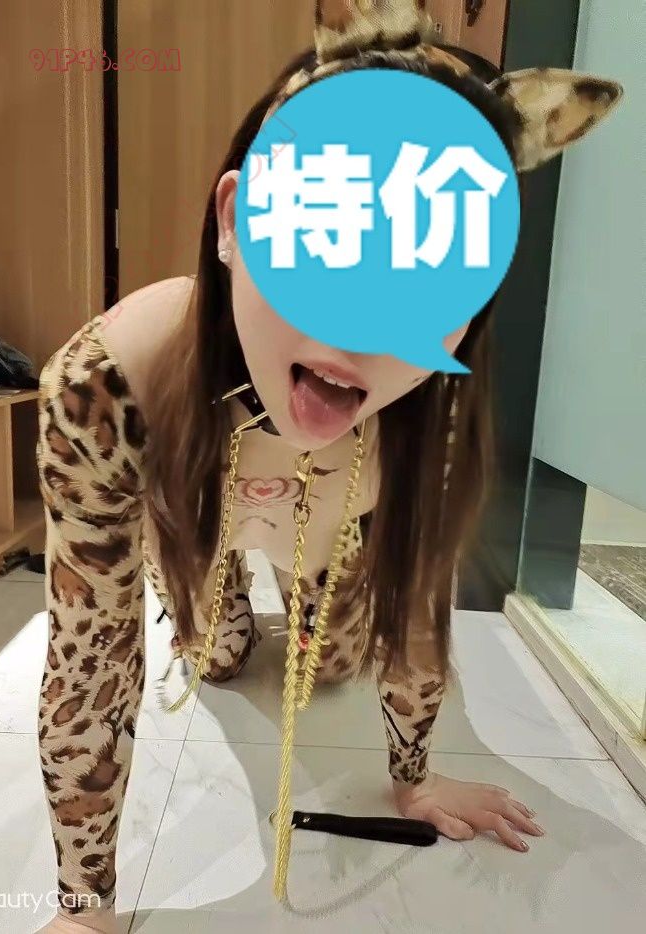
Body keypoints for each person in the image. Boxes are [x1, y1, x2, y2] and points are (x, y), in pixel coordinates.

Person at [35, 2, 622, 931]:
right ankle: (223, 585)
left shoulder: (431, 411)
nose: (357, 332)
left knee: (338, 661)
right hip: (193, 510)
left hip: (332, 525)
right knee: (221, 659)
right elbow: (89, 658)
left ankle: (276, 578)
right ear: (235, 220)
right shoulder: (107, 384)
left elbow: (415, 608)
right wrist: (83, 909)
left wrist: (414, 779)